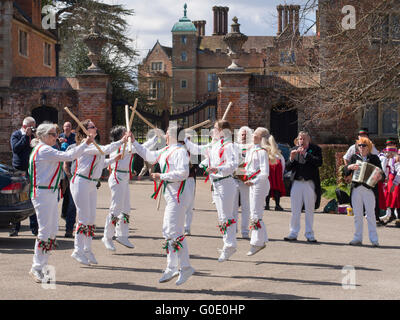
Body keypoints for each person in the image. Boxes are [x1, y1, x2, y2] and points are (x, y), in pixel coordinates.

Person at [27, 123, 93, 283]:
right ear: (42, 136)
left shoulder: (45, 149)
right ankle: (37, 268)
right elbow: (68, 157)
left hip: (48, 192)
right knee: (45, 231)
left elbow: (67, 154)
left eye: (56, 133)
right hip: (43, 192)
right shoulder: (44, 149)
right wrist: (85, 143)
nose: (56, 136)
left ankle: (41, 265)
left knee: (51, 230)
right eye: (52, 134)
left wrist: (84, 144)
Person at [133, 126, 195, 286]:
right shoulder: (166, 150)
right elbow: (149, 155)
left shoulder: (180, 151)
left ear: (173, 135)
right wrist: (134, 142)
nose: (165, 135)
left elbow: (184, 173)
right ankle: (172, 267)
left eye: (167, 132)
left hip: (179, 195)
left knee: (174, 230)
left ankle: (184, 266)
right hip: (171, 195)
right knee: (168, 230)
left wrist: (162, 176)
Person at [69, 120, 130, 266]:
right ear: (85, 130)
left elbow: (101, 163)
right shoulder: (85, 145)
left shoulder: (94, 145)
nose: (96, 128)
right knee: (83, 217)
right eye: (92, 126)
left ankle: (87, 249)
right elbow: (105, 149)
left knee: (91, 218)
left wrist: (113, 159)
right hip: (81, 182)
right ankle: (77, 250)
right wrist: (122, 140)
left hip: (91, 183)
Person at [185, 120, 238, 262]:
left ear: (222, 131)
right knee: (222, 216)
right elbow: (197, 149)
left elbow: (233, 165)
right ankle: (228, 244)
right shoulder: (214, 144)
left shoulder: (229, 145)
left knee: (226, 216)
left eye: (214, 128)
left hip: (226, 182)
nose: (212, 131)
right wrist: (184, 139)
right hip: (217, 184)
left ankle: (229, 245)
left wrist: (218, 168)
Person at [102, 126, 158, 251]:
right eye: (124, 133)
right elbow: (139, 148)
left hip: (124, 177)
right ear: (120, 136)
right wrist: (153, 140)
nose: (128, 133)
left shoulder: (127, 146)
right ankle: (107, 236)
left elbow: (140, 148)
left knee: (126, 207)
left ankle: (122, 235)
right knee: (115, 207)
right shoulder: (118, 147)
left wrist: (155, 138)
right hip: (117, 177)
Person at [343, 136, 384, 247]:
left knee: (370, 214)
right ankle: (357, 238)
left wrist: (378, 177)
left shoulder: (374, 158)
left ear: (368, 147)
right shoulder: (354, 157)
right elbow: (345, 172)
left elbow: (382, 174)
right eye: (359, 145)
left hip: (369, 189)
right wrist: (349, 167)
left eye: (364, 145)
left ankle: (374, 239)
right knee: (357, 215)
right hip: (356, 188)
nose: (361, 147)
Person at [284, 131, 322, 243]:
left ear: (308, 139)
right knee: (295, 209)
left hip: (309, 183)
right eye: (300, 139)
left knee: (309, 209)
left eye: (304, 139)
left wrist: (306, 154)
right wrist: (291, 158)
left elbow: (319, 162)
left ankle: (309, 234)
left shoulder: (315, 149)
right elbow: (288, 167)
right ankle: (293, 232)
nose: (302, 141)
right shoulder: (293, 149)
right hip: (297, 182)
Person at [10, 116, 39, 236]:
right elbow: (16, 149)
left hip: (31, 170)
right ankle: (15, 228)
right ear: (25, 126)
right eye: (31, 126)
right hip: (18, 170)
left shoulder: (33, 136)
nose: (33, 129)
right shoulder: (16, 134)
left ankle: (34, 228)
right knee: (17, 198)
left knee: (32, 197)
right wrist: (25, 136)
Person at [244, 127, 270, 256]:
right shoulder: (251, 150)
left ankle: (257, 243)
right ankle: (262, 238)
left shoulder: (262, 152)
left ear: (261, 138)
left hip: (260, 184)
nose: (252, 135)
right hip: (252, 183)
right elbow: (246, 167)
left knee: (255, 212)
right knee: (254, 211)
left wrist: (253, 181)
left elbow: (265, 173)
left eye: (255, 135)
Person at [233, 126, 252, 239]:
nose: (244, 136)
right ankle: (233, 230)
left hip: (246, 181)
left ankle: (245, 231)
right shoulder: (235, 147)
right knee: (233, 207)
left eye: (246, 134)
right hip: (235, 179)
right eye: (242, 134)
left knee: (246, 207)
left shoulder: (252, 147)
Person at [59, 121, 77, 238]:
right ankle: (65, 215)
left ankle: (68, 219)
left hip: (72, 170)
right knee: (65, 193)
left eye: (69, 127)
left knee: (71, 198)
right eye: (65, 127)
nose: (67, 128)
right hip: (62, 168)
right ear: (63, 128)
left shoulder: (74, 139)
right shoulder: (59, 137)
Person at [379, 139, 400, 225]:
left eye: (392, 144)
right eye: (388, 145)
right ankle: (391, 215)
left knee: (397, 197)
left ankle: (398, 217)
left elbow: (399, 171)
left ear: (395, 146)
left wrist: (395, 183)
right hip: (390, 179)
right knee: (389, 197)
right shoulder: (384, 157)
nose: (390, 146)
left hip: (397, 179)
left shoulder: (397, 157)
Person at [265, 134, 286, 211]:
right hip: (277, 174)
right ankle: (277, 205)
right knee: (276, 188)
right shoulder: (278, 154)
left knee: (268, 188)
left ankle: (267, 205)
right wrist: (281, 176)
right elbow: (283, 165)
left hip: (268, 174)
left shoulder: (265, 153)